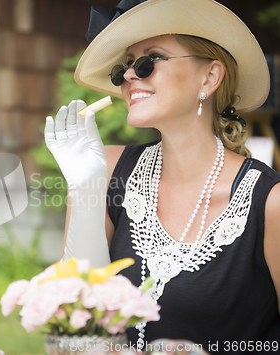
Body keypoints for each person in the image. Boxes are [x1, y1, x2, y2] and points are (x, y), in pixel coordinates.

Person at [44, 0, 280, 354]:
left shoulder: (271, 203)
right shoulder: (104, 171)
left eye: (148, 61)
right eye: (125, 65)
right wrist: (85, 190)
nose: (128, 75)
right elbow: (81, 325)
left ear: (210, 77)